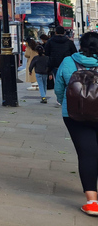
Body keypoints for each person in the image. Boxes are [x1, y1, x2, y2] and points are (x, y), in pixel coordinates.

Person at [54, 31, 98, 216]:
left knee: (87, 153)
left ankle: (92, 202)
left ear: (81, 45)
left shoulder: (68, 61)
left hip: (74, 114)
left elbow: (59, 89)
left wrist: (64, 102)